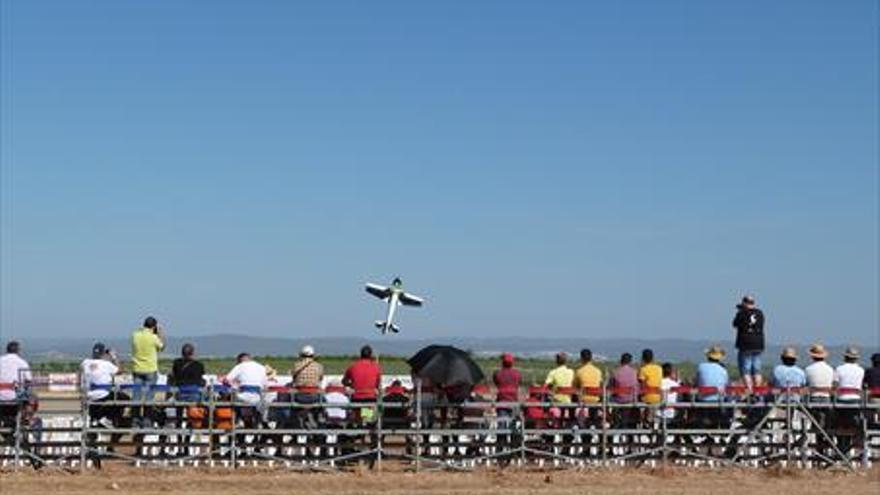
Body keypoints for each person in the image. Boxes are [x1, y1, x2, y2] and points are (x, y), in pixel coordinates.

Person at [130, 316, 165, 427]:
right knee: (149, 397)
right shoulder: (153, 338)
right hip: (150, 369)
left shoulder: (135, 335)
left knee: (136, 396)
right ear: (154, 326)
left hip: (137, 369)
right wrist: (160, 334)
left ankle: (135, 421)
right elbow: (162, 347)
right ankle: (147, 421)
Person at [732, 295, 765, 391]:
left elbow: (735, 324)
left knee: (746, 370)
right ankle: (758, 392)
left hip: (746, 344)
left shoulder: (742, 313)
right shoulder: (760, 313)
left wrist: (740, 311)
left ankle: (750, 392)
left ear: (744, 303)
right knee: (757, 370)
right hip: (759, 343)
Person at [0, 341, 33, 427]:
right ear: (18, 351)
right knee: (33, 397)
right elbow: (29, 380)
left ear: (6, 350)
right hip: (15, 395)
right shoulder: (22, 362)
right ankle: (27, 417)